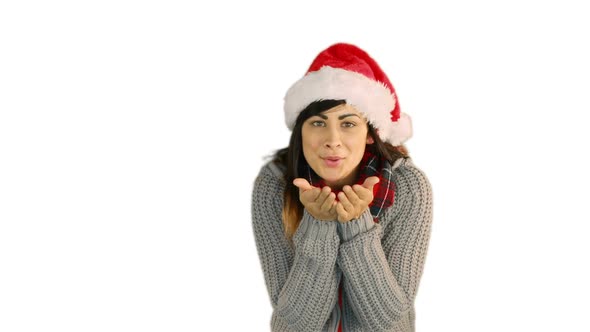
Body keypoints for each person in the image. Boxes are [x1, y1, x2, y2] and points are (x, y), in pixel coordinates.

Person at [251, 43, 433, 332]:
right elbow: (297, 323)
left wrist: (356, 224)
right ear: (300, 131)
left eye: (348, 124)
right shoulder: (274, 184)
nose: (332, 140)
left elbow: (387, 321)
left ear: (371, 135)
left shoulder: (408, 187)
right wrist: (319, 224)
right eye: (318, 123)